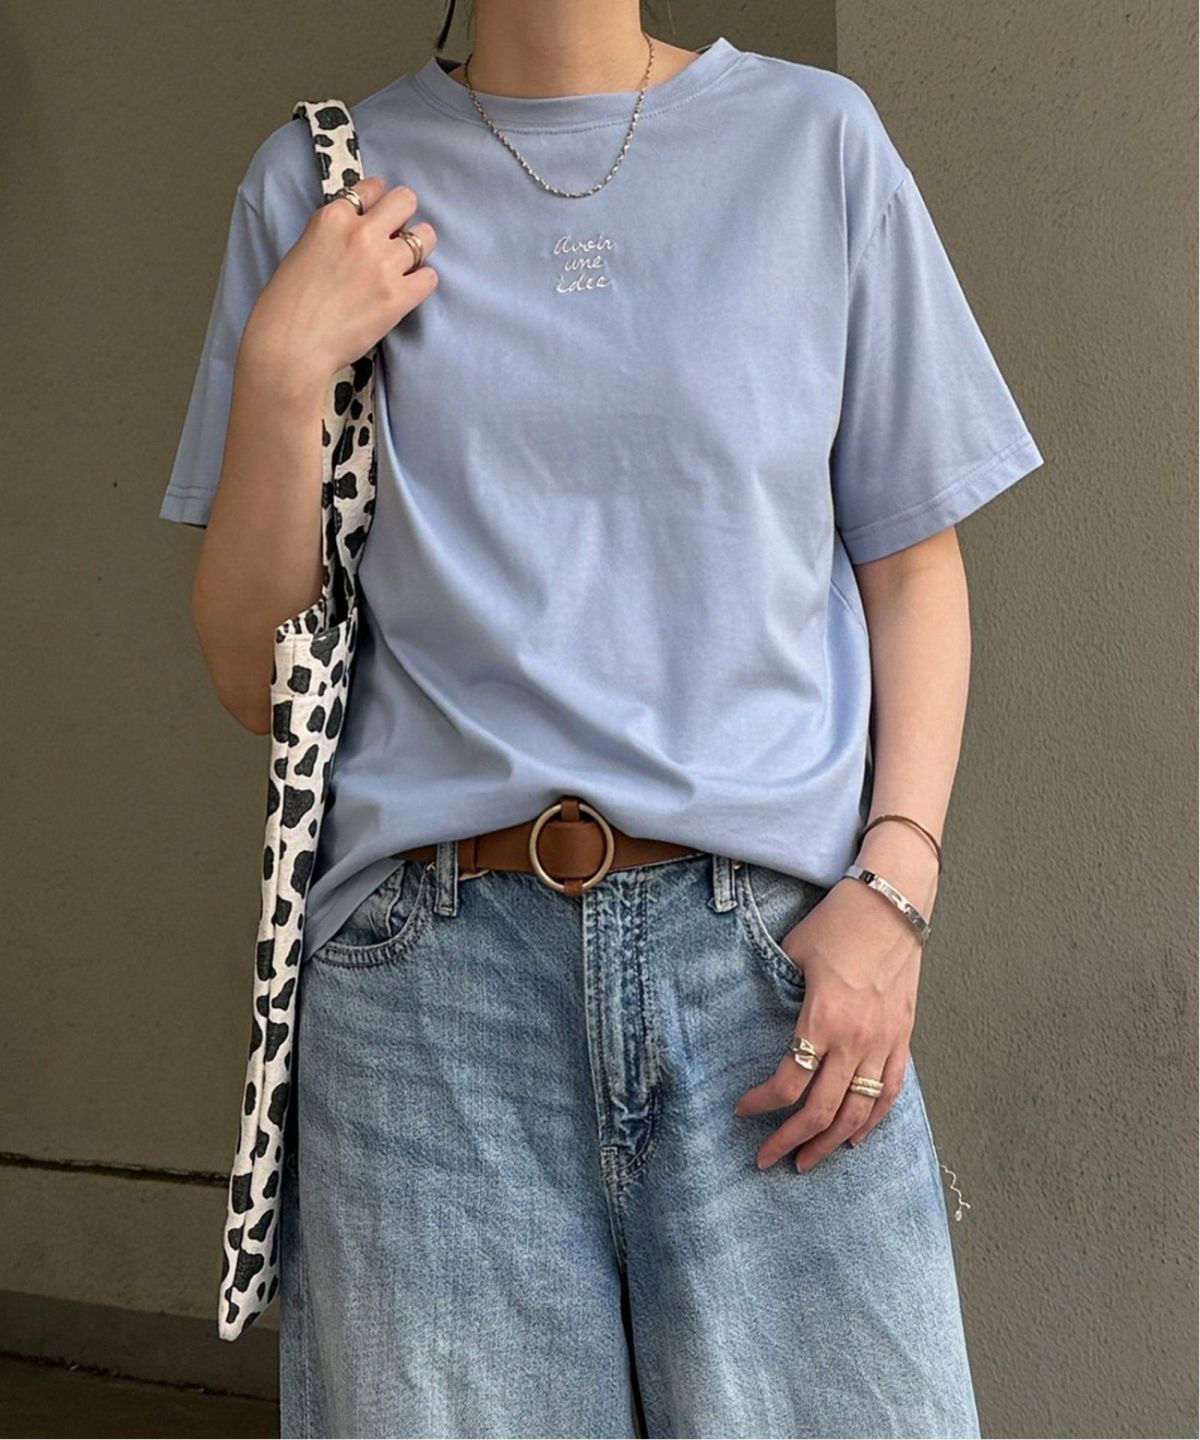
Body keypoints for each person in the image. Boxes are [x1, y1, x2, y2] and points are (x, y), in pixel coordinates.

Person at [159, 1, 1043, 1435]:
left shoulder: (814, 146)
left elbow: (911, 563)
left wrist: (897, 887)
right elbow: (256, 678)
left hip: (767, 980)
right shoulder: (323, 185)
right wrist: (281, 374)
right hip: (432, 999)